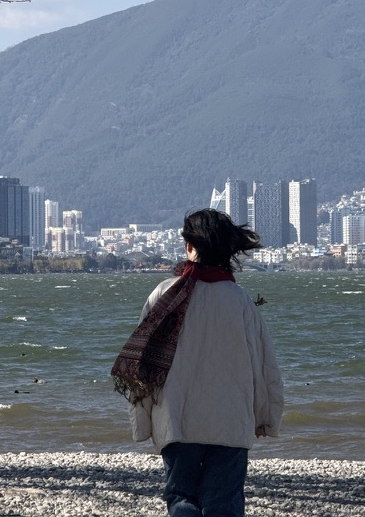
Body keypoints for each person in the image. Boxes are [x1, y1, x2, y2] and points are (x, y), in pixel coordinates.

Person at [111, 209, 284, 517]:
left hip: (177, 419)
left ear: (190, 247)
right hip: (231, 421)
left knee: (181, 499)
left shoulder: (163, 295)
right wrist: (264, 416)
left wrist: (143, 422)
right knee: (224, 504)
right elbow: (262, 364)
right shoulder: (239, 300)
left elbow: (142, 368)